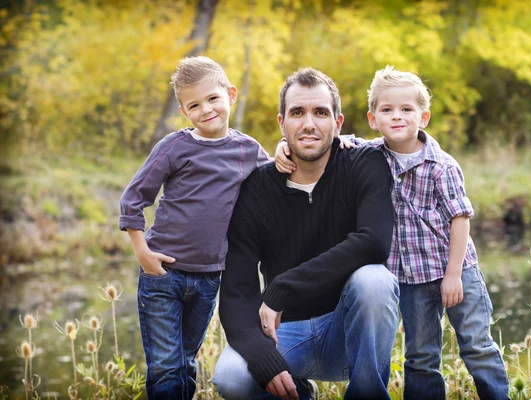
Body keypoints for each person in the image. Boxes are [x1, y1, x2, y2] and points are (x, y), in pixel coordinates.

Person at [277, 66, 509, 399]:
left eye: (406, 109)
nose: (396, 116)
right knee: (421, 356)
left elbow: (460, 218)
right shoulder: (371, 156)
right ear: (373, 119)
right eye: (387, 110)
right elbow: (328, 141)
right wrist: (282, 147)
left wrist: (454, 274)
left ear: (423, 117)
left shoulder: (441, 165)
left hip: (456, 271)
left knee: (476, 344)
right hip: (411, 279)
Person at [212, 67, 400, 400]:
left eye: (320, 112)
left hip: (346, 334)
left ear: (338, 123)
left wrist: (283, 286)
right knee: (231, 378)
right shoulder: (256, 188)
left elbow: (374, 243)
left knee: (375, 280)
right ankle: (298, 391)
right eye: (297, 112)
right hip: (284, 335)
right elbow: (238, 291)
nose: (309, 124)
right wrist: (262, 357)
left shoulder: (364, 164)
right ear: (282, 122)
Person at [118, 56, 271, 399]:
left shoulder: (247, 150)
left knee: (186, 362)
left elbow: (277, 178)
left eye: (213, 99)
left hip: (208, 277)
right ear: (186, 113)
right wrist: (141, 252)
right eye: (195, 105)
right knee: (165, 366)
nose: (206, 110)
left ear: (231, 94)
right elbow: (134, 198)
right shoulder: (174, 147)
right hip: (162, 274)